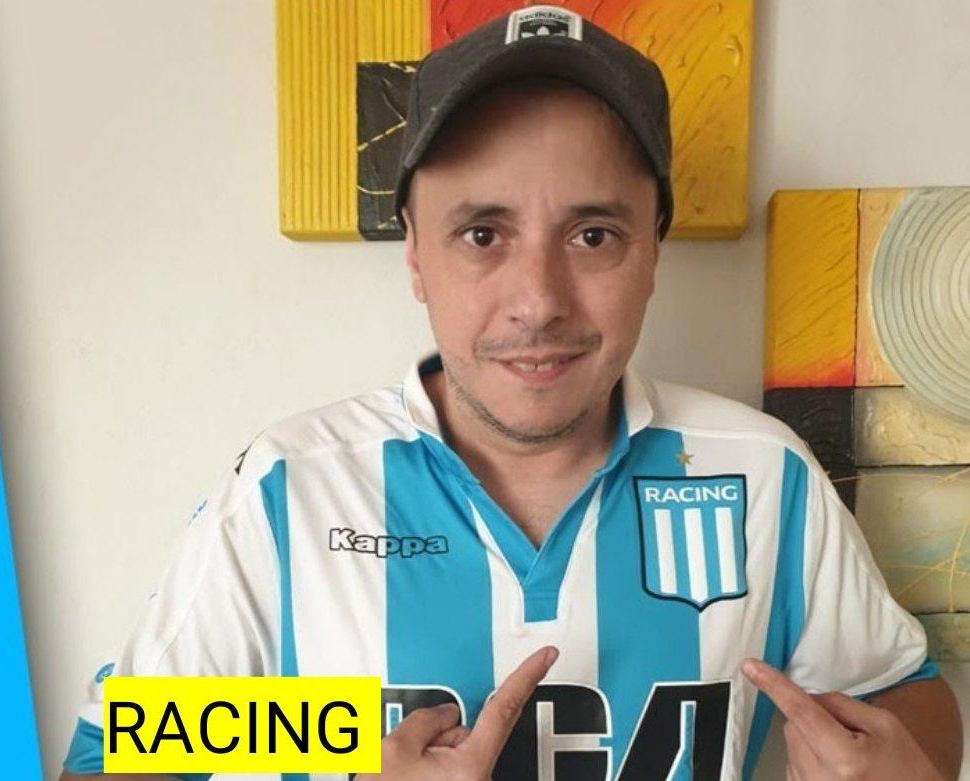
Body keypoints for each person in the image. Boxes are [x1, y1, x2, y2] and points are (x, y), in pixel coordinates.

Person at [61, 6, 962, 780]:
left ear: (652, 247)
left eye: (593, 235)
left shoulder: (762, 475)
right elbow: (108, 757)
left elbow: (899, 691)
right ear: (415, 253)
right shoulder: (292, 491)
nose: (537, 302)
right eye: (482, 233)